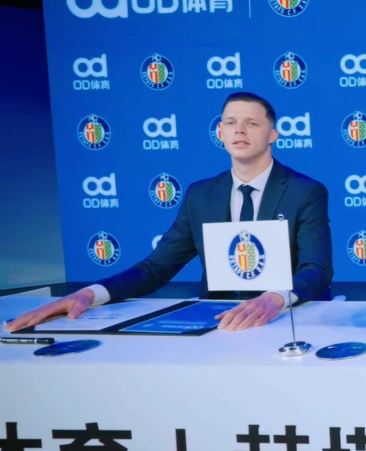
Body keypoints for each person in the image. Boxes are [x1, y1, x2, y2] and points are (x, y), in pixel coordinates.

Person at [6, 92, 334, 333]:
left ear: (272, 134)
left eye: (252, 123)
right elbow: (155, 268)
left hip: (287, 320)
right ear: (220, 133)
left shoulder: (306, 191)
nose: (240, 130)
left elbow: (316, 269)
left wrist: (274, 298)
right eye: (230, 123)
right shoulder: (200, 195)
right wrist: (89, 294)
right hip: (219, 323)